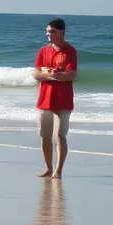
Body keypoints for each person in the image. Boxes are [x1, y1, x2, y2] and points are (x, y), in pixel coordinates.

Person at [33, 18, 77, 179]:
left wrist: (50, 74)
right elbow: (36, 74)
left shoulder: (70, 51)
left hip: (63, 99)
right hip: (44, 99)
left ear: (61, 32)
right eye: (47, 31)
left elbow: (70, 75)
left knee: (59, 135)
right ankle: (48, 168)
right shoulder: (43, 51)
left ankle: (58, 170)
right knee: (44, 136)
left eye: (52, 32)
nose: (48, 35)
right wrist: (52, 75)